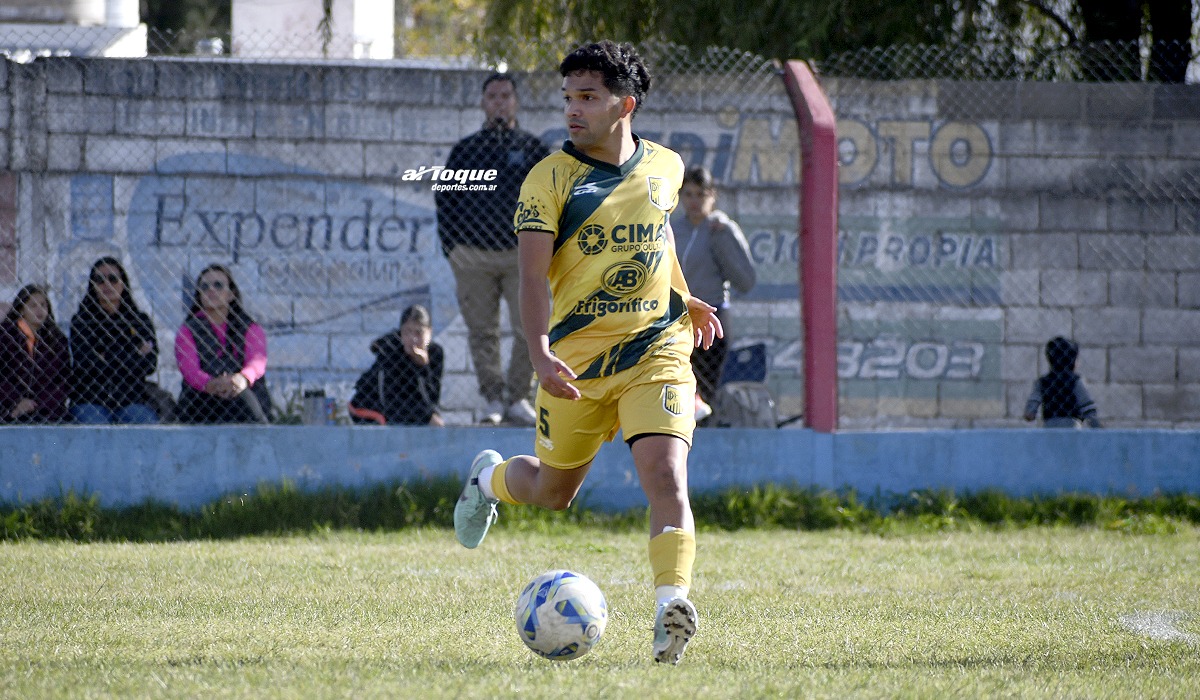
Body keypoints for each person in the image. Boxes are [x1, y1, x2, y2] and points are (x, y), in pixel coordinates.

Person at [453, 41, 723, 666]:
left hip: (655, 350)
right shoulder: (549, 178)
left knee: (665, 475)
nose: (573, 110)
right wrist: (541, 354)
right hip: (574, 367)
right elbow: (529, 279)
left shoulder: (666, 167)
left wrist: (685, 299)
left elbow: (656, 243)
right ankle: (489, 478)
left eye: (588, 98)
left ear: (624, 104)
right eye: (569, 97)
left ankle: (668, 612)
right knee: (552, 491)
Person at [434, 72, 549, 426]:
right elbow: (445, 200)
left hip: (522, 256)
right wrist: (452, 250)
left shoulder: (533, 149)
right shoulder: (466, 150)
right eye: (493, 96)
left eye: (506, 96)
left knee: (530, 327)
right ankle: (494, 399)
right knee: (482, 332)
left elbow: (552, 199)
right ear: (484, 103)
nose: (500, 102)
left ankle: (517, 397)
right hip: (473, 257)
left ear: (516, 102)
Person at [670, 165, 756, 420]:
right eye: (688, 194)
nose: (694, 202)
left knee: (706, 396)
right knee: (678, 391)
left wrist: (722, 242)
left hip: (712, 319)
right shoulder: (674, 230)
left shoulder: (721, 230)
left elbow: (746, 281)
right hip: (678, 319)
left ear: (713, 196)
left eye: (701, 195)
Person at [174, 264, 271, 424]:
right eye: (204, 287)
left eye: (218, 285)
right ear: (199, 295)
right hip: (203, 395)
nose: (211, 290)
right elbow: (189, 370)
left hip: (240, 389)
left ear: (231, 294)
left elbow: (257, 362)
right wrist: (212, 384)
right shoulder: (188, 330)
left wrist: (241, 379)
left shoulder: (250, 328)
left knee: (244, 398)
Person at [69, 257, 160, 424]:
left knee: (145, 424)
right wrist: (134, 354)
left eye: (113, 279)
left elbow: (150, 364)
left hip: (131, 399)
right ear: (92, 286)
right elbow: (86, 363)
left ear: (123, 283)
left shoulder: (139, 321)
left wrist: (105, 356)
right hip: (91, 399)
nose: (107, 285)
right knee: (96, 427)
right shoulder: (82, 321)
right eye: (100, 280)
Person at [348, 304, 445, 426]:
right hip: (370, 406)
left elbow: (432, 400)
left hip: (409, 408)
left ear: (429, 333)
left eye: (419, 332)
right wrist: (425, 416)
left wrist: (422, 367)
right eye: (407, 332)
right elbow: (390, 402)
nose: (413, 339)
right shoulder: (391, 350)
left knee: (435, 423)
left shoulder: (435, 353)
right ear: (401, 333)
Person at [1, 284, 70, 423]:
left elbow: (63, 380)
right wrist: (17, 401)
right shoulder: (5, 336)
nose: (39, 310)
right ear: (21, 309)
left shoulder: (56, 339)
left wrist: (36, 404)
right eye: (33, 305)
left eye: (43, 305)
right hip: (10, 406)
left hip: (46, 408)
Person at [1024, 336, 1102, 428]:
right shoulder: (1075, 381)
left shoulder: (1043, 382)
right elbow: (1087, 406)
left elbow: (1032, 406)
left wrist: (1030, 412)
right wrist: (1096, 426)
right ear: (1072, 360)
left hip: (1049, 427)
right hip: (1072, 427)